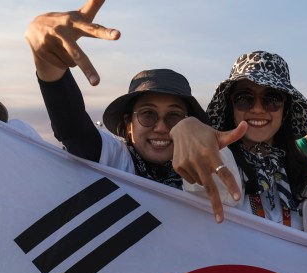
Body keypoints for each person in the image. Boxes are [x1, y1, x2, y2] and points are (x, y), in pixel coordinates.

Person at [25, 0, 207, 189]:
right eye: (148, 114)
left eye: (174, 116)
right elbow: (73, 130)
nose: (161, 127)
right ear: (128, 126)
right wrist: (47, 60)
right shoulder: (114, 161)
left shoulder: (210, 178)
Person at [178, 51, 307, 236]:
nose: (257, 108)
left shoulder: (306, 176)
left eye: (272, 99)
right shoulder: (218, 161)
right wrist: (187, 128)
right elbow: (198, 182)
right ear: (230, 107)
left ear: (286, 110)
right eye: (244, 99)